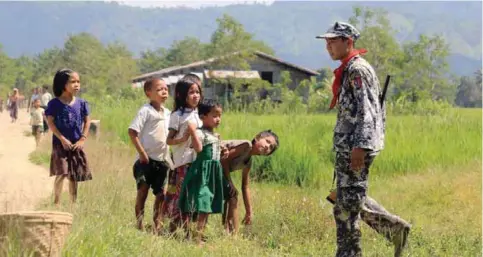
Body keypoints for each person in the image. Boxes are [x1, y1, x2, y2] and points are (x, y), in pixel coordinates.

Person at [316, 21, 411, 257]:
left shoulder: (358, 70)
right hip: (349, 147)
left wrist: (360, 146)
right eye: (326, 42)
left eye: (333, 41)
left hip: (356, 148)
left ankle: (349, 253)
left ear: (348, 42)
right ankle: (395, 229)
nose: (328, 46)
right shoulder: (349, 68)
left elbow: (368, 111)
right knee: (348, 198)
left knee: (346, 207)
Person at [128, 78, 173, 234]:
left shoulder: (168, 113)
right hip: (145, 161)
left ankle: (157, 225)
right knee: (143, 192)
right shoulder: (145, 111)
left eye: (166, 89)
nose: (164, 91)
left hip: (162, 161)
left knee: (161, 195)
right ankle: (139, 224)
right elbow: (132, 132)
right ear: (149, 93)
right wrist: (142, 154)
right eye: (160, 89)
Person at [178, 99, 225, 244]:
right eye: (215, 115)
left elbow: (217, 152)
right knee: (202, 203)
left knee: (207, 204)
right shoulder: (199, 133)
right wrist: (192, 131)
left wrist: (224, 150)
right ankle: (195, 237)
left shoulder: (215, 136)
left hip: (213, 173)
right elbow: (198, 149)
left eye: (220, 115)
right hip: (202, 172)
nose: (218, 119)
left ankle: (198, 235)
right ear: (203, 117)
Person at [45, 68, 92, 205]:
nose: (77, 84)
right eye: (73, 82)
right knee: (62, 173)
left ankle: (73, 203)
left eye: (78, 81)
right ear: (63, 85)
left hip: (76, 143)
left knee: (74, 176)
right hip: (60, 144)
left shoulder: (82, 103)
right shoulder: (54, 104)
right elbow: (50, 122)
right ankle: (57, 202)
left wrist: (82, 138)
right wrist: (62, 139)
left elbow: (87, 121)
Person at [220, 130, 279, 234]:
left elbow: (245, 186)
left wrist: (249, 211)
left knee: (231, 195)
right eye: (267, 141)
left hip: (218, 170)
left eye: (271, 148)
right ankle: (233, 235)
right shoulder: (246, 146)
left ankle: (228, 230)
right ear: (257, 138)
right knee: (232, 195)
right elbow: (224, 160)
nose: (267, 147)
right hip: (209, 163)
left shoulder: (248, 161)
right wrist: (230, 182)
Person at [164, 77, 202, 232]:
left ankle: (187, 231)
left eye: (197, 92)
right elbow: (169, 140)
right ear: (181, 95)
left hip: (196, 161)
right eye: (191, 92)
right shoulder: (177, 115)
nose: (195, 96)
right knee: (180, 196)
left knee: (192, 195)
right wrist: (184, 138)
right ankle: (175, 229)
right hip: (182, 162)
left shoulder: (199, 113)